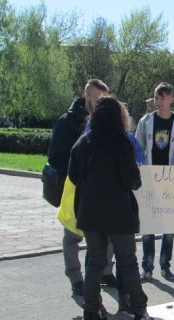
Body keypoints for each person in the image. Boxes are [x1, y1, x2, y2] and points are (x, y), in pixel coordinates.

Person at [68, 96, 154, 320]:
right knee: (128, 262)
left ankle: (91, 311)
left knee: (94, 261)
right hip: (119, 213)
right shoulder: (122, 143)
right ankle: (139, 312)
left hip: (90, 211)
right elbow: (132, 180)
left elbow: (73, 176)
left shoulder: (83, 142)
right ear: (119, 118)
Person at [47, 79, 116, 296]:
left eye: (103, 100)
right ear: (86, 97)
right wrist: (78, 171)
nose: (99, 104)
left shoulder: (106, 120)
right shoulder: (67, 122)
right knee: (72, 237)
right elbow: (56, 157)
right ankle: (76, 278)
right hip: (75, 189)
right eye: (96, 99)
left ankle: (105, 271)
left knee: (108, 235)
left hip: (101, 190)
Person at [135, 82, 174, 282]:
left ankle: (165, 267)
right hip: (150, 180)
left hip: (172, 182)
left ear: (171, 99)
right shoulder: (146, 121)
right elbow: (137, 147)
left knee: (169, 227)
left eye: (163, 98)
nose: (159, 102)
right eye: (157, 98)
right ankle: (147, 267)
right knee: (148, 227)